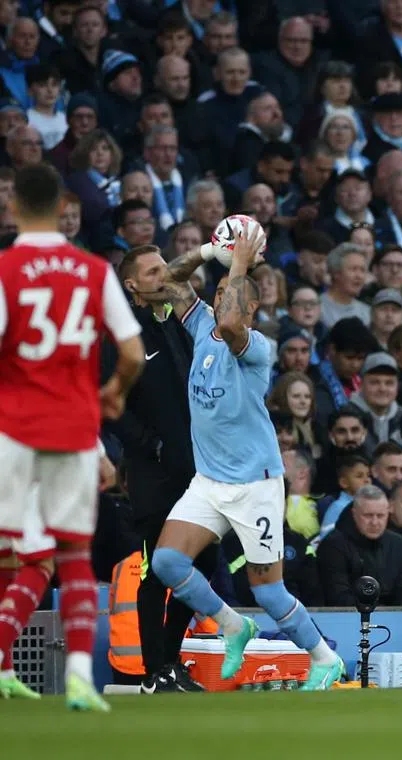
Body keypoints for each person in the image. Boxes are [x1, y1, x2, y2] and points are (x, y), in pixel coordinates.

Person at [148, 229, 345, 691]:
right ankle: (234, 625)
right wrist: (207, 253)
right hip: (209, 481)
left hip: (254, 484)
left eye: (228, 295)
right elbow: (168, 283)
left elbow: (234, 323)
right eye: (215, 294)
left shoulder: (256, 346)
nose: (219, 302)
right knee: (167, 563)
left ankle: (324, 658)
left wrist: (237, 265)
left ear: (252, 307)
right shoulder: (200, 326)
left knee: (269, 592)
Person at [0, 164, 144, 710]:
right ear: (64, 206)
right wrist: (113, 393)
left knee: (14, 556)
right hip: (74, 432)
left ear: (13, 206)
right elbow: (131, 353)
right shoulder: (92, 271)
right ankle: (81, 676)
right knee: (72, 553)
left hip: (12, 431)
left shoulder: (7, 269)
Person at [108, 245, 212, 694]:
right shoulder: (121, 339)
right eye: (152, 271)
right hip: (154, 475)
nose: (162, 275)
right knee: (159, 570)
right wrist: (151, 446)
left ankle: (169, 659)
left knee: (201, 567)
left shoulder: (181, 323)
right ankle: (156, 671)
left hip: (198, 469)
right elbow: (112, 405)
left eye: (164, 268)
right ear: (131, 285)